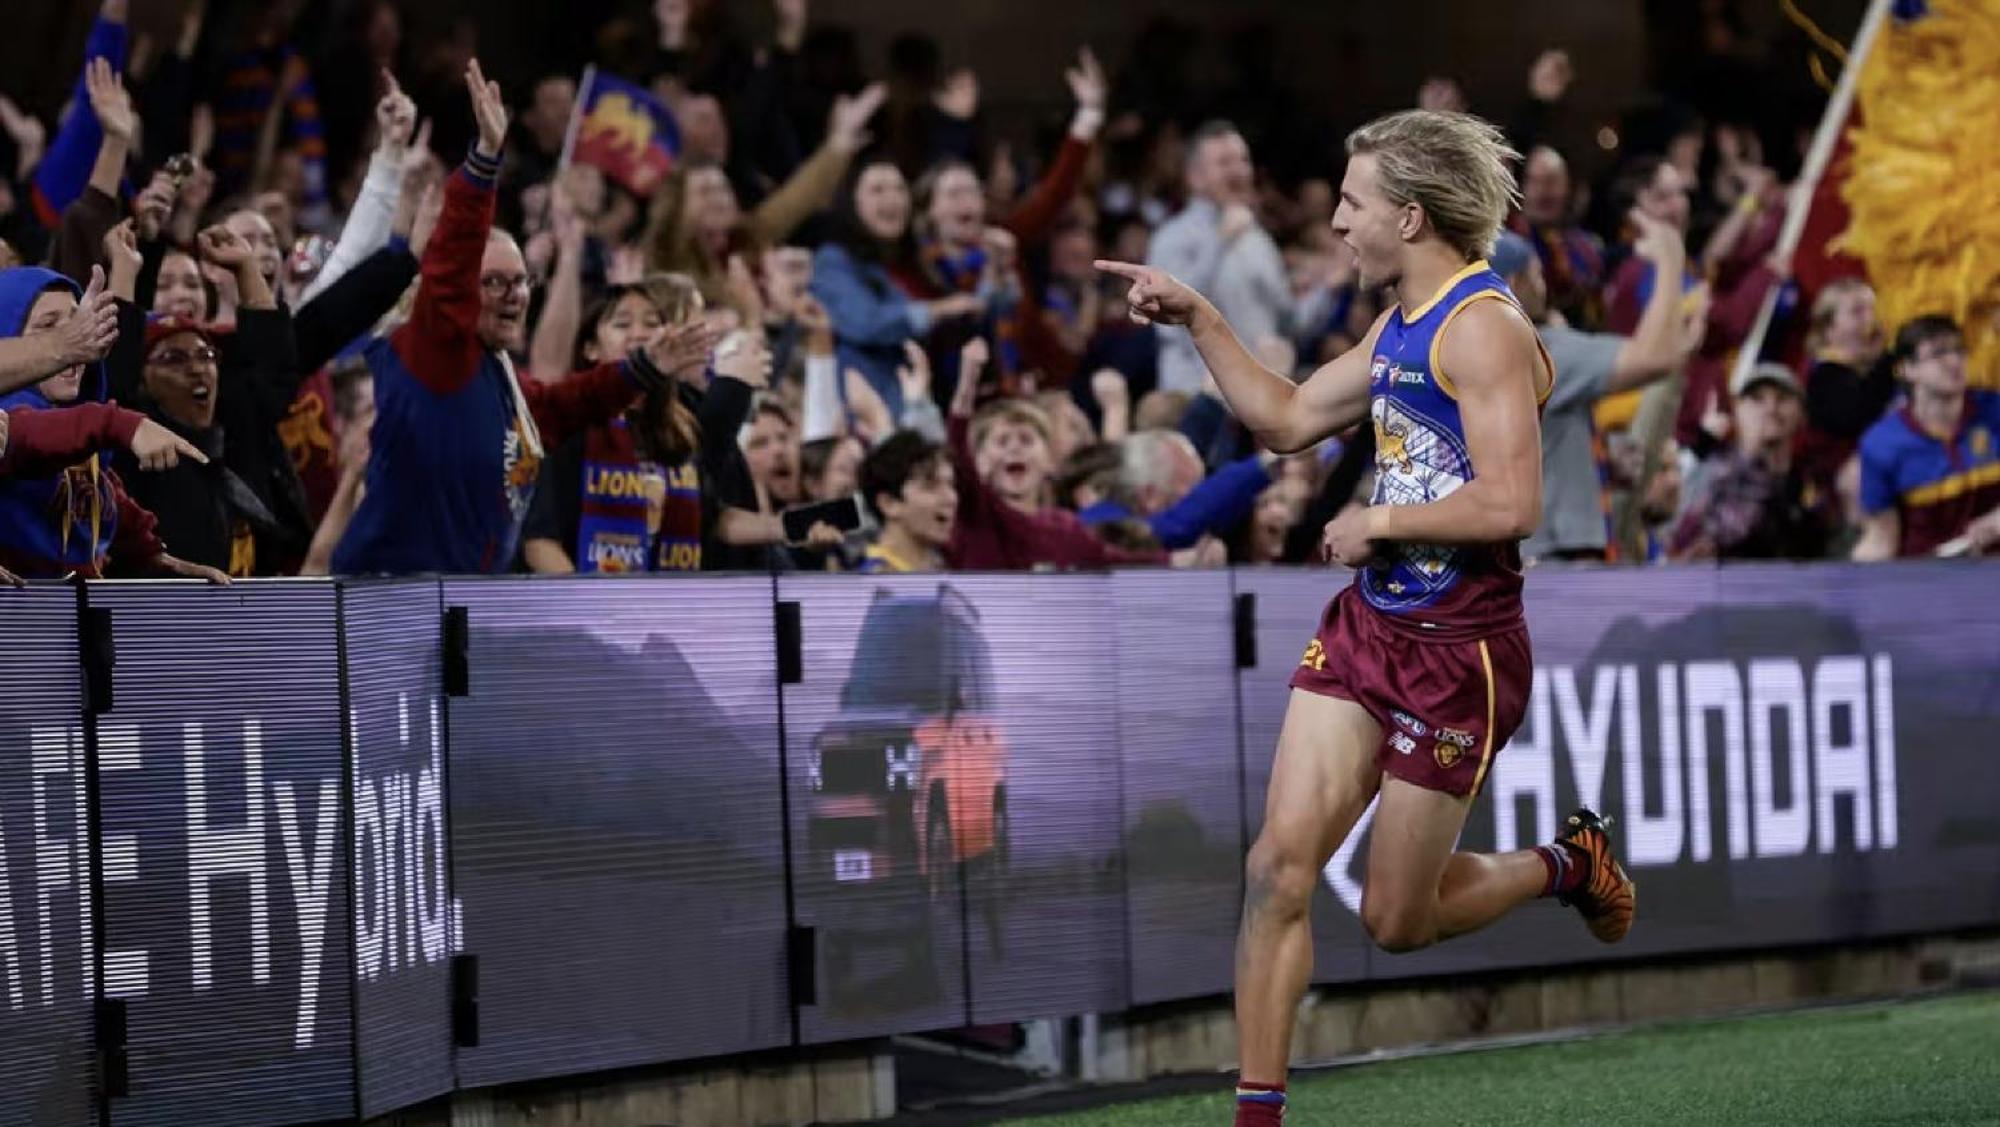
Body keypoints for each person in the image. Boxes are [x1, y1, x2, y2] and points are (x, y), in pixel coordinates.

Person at [1098, 109, 1634, 1127]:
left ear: (1411, 214)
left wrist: (1376, 517)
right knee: (1275, 867)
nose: (1336, 220)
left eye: (1351, 202)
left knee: (1394, 917)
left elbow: (1511, 504)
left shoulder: (1481, 326)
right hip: (1365, 630)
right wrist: (1200, 315)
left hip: (1458, 649)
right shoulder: (1399, 323)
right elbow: (1290, 416)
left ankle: (1565, 863)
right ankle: (1258, 1113)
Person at [332, 61, 680, 576]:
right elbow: (451, 265)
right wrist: (483, 163)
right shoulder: (433, 355)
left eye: (520, 281)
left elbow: (567, 404)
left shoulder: (500, 377)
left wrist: (643, 368)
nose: (514, 294)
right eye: (494, 282)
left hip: (464, 603)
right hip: (391, 605)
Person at [1491, 224, 1706, 563]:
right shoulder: (1537, 351)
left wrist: (1597, 463)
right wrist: (1670, 262)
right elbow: (1655, 356)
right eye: (1537, 276)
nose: (1544, 286)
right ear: (1515, 284)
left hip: (1509, 550)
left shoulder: (1455, 351)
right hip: (1554, 552)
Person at [1147, 121, 1294, 395]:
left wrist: (1329, 287)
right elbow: (1168, 317)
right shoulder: (1172, 237)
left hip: (1256, 399)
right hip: (1195, 397)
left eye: (1243, 160)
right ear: (1195, 177)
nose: (1239, 171)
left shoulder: (1258, 239)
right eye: (1225, 162)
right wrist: (1220, 242)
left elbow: (1287, 322)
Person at [1852, 316, 2000, 559]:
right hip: (1927, 583)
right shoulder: (1881, 444)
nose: (1954, 361)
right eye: (1939, 353)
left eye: (1958, 350)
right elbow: (1882, 539)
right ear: (1907, 369)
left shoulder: (1994, 409)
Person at [1669, 363, 1838, 560]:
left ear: (1802, 414)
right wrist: (1749, 452)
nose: (1771, 409)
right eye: (1757, 399)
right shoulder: (1709, 468)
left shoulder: (1814, 479)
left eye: (1782, 398)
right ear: (1737, 410)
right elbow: (1724, 534)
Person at [855, 429, 956, 573]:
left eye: (951, 484)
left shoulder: (944, 572)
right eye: (931, 486)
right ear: (888, 503)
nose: (951, 498)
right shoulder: (871, 585)